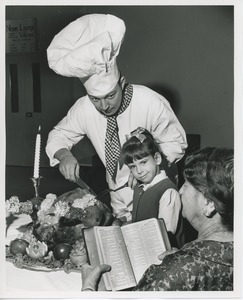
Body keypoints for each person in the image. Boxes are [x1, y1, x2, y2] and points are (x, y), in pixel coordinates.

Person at [45, 13, 187, 224]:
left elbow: (177, 143)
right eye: (96, 99)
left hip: (156, 190)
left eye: (110, 96)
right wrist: (64, 154)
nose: (104, 106)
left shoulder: (149, 101)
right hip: (117, 195)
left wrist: (143, 167)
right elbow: (59, 134)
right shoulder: (84, 108)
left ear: (121, 82)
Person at [81, 147, 233, 291]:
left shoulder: (177, 271)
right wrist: (180, 256)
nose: (180, 190)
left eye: (186, 185)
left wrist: (89, 285)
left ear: (208, 203)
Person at [121, 127, 184, 247]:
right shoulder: (140, 188)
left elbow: (166, 235)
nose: (139, 171)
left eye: (143, 162)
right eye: (133, 167)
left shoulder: (167, 191)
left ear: (157, 158)